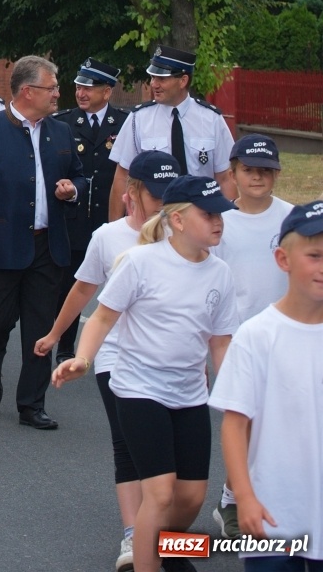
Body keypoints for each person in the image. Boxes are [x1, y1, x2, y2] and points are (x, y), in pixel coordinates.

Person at [54, 176, 238, 572]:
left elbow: (220, 342)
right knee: (159, 493)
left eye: (221, 213)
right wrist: (83, 361)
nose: (218, 221)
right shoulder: (141, 262)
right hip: (138, 390)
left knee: (190, 497)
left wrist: (235, 393)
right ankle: (147, 562)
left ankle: (165, 552)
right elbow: (102, 319)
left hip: (189, 394)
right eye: (208, 214)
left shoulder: (220, 273)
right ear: (178, 220)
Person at [34, 151, 181, 572]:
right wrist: (56, 334)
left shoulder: (185, 233)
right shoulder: (109, 237)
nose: (165, 206)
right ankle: (136, 536)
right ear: (133, 192)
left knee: (172, 454)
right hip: (116, 357)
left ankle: (166, 534)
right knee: (128, 444)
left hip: (173, 361)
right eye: (156, 196)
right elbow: (83, 293)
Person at [0, 55, 85, 429]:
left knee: (41, 328)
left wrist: (73, 190)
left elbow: (80, 177)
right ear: (28, 91)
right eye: (52, 87)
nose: (59, 93)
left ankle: (31, 403)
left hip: (47, 246)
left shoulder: (60, 131)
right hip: (1, 245)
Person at [209, 200, 323, 572]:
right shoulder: (257, 336)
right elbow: (235, 424)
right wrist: (243, 496)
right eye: (315, 255)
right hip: (273, 514)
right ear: (283, 259)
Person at [211, 133, 293, 541]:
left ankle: (272, 492)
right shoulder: (220, 222)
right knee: (242, 419)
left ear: (276, 174)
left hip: (288, 337)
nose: (257, 177)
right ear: (235, 173)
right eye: (248, 170)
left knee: (282, 421)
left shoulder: (293, 218)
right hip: (237, 340)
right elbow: (210, 284)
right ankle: (232, 496)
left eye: (265, 170)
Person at [54, 57, 129, 360]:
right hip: (74, 220)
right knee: (69, 286)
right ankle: (64, 346)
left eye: (89, 87)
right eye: (78, 86)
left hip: (110, 219)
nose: (81, 92)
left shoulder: (124, 124)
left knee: (122, 286)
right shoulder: (63, 122)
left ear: (107, 92)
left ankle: (119, 347)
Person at [108, 45, 233, 221]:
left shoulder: (211, 119)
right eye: (152, 77)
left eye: (161, 79)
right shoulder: (139, 118)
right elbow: (122, 176)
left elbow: (225, 178)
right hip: (152, 220)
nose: (153, 84)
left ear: (182, 81)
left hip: (199, 218)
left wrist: (228, 225)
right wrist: (115, 229)